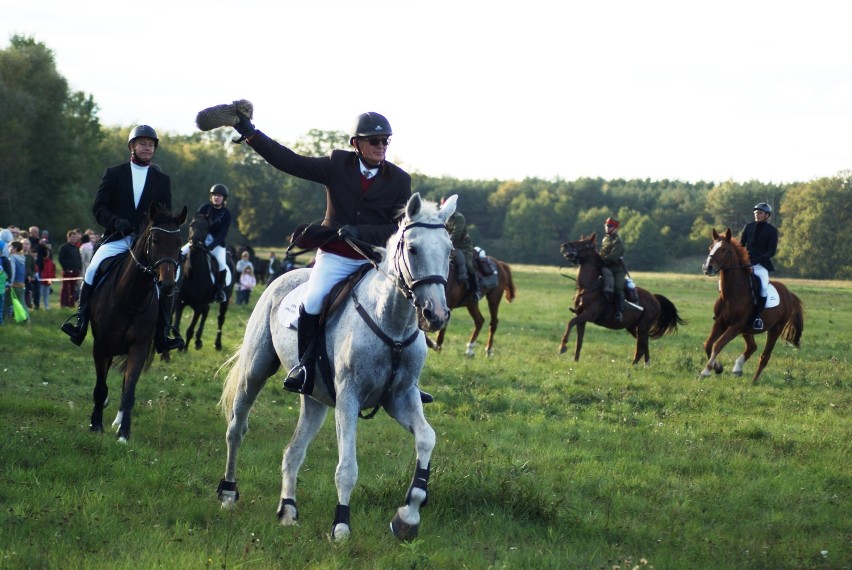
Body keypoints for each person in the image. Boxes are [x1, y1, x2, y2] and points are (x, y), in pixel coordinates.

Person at [232, 110, 432, 401]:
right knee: (313, 299)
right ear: (356, 143)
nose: (381, 146)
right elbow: (290, 161)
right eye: (374, 140)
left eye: (385, 140)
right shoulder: (337, 164)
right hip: (336, 257)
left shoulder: (400, 180)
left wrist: (360, 231)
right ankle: (305, 366)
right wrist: (252, 135)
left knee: (407, 300)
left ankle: (408, 380)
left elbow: (396, 227)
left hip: (373, 260)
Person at [61, 125, 184, 352]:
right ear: (132, 146)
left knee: (168, 278)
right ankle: (80, 322)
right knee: (92, 269)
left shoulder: (161, 179)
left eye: (151, 145)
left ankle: (163, 333)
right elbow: (99, 208)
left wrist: (149, 229)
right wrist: (117, 222)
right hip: (118, 238)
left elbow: (164, 215)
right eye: (142, 144)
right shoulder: (114, 173)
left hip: (147, 243)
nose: (147, 148)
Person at [181, 184, 232, 302]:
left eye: (219, 195)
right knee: (181, 253)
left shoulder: (226, 214)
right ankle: (175, 281)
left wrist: (210, 246)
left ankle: (219, 291)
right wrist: (195, 239)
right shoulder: (204, 208)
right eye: (214, 195)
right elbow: (196, 223)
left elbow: (222, 234)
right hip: (198, 240)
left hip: (216, 245)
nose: (216, 197)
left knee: (221, 264)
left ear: (224, 198)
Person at [739, 202, 778, 331]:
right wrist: (743, 261)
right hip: (746, 263)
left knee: (763, 288)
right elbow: (740, 245)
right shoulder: (748, 227)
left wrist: (756, 260)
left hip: (761, 265)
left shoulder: (772, 231)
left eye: (760, 213)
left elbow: (771, 251)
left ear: (767, 216)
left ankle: (757, 317)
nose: (757, 215)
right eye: (756, 213)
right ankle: (723, 310)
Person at [445, 205, 481, 300]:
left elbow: (456, 235)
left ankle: (476, 290)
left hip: (462, 247)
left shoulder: (459, 218)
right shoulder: (442, 217)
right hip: (448, 245)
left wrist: (445, 243)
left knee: (468, 264)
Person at [599, 217, 626, 321]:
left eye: (609, 226)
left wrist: (601, 260)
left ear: (615, 228)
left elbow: (613, 257)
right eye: (606, 225)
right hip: (605, 267)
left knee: (618, 287)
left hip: (617, 269)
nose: (606, 228)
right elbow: (602, 253)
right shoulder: (605, 239)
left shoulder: (617, 241)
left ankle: (620, 311)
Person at [58, 229, 82, 308]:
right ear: (68, 237)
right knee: (65, 288)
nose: (74, 239)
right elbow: (61, 259)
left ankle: (71, 304)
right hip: (67, 271)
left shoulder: (76, 248)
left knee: (73, 288)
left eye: (75, 238)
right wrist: (66, 269)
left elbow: (79, 259)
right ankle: (63, 304)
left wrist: (79, 268)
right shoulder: (64, 247)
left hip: (75, 271)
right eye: (72, 237)